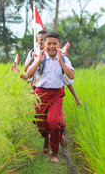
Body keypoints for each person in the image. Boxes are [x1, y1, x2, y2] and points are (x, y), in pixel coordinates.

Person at [24, 32, 75, 163]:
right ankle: (47, 139)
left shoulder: (63, 58)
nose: (52, 46)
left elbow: (71, 76)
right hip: (41, 94)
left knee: (53, 123)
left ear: (59, 45)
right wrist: (38, 61)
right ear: (44, 45)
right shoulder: (40, 57)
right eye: (49, 44)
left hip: (57, 95)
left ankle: (54, 153)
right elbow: (28, 74)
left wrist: (60, 62)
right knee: (41, 125)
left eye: (54, 44)